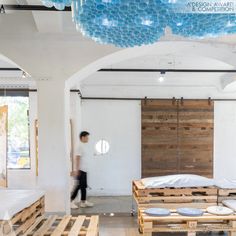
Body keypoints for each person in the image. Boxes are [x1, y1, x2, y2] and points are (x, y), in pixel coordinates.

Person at [71, 131, 94, 209]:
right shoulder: (80, 146)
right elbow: (77, 158)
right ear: (82, 137)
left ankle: (83, 201)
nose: (88, 138)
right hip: (80, 170)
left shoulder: (84, 146)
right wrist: (77, 170)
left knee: (83, 186)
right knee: (78, 186)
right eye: (87, 137)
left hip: (84, 170)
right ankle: (70, 201)